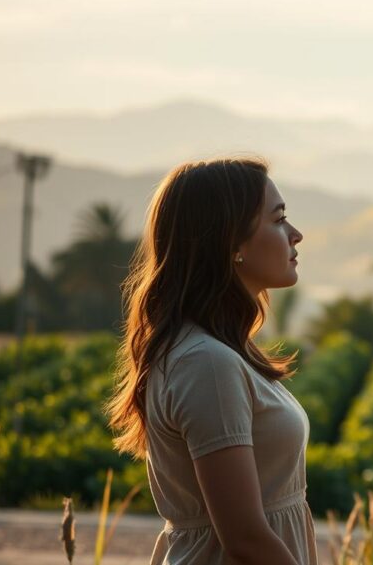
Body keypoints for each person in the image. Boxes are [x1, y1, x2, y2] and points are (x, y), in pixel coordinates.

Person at [105, 158, 315, 565]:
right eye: (278, 219)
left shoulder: (218, 352)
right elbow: (245, 539)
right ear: (231, 243)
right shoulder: (207, 364)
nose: (295, 234)